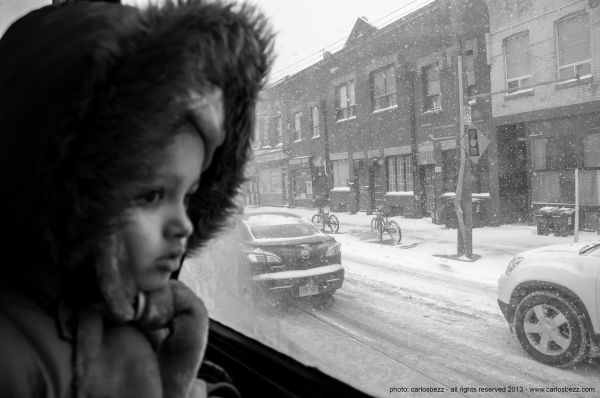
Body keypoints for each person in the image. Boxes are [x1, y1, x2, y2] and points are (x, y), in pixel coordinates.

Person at [0, 0, 272, 397]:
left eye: (189, 196)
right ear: (61, 190)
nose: (185, 223)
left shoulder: (134, 308)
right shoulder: (15, 354)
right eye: (151, 194)